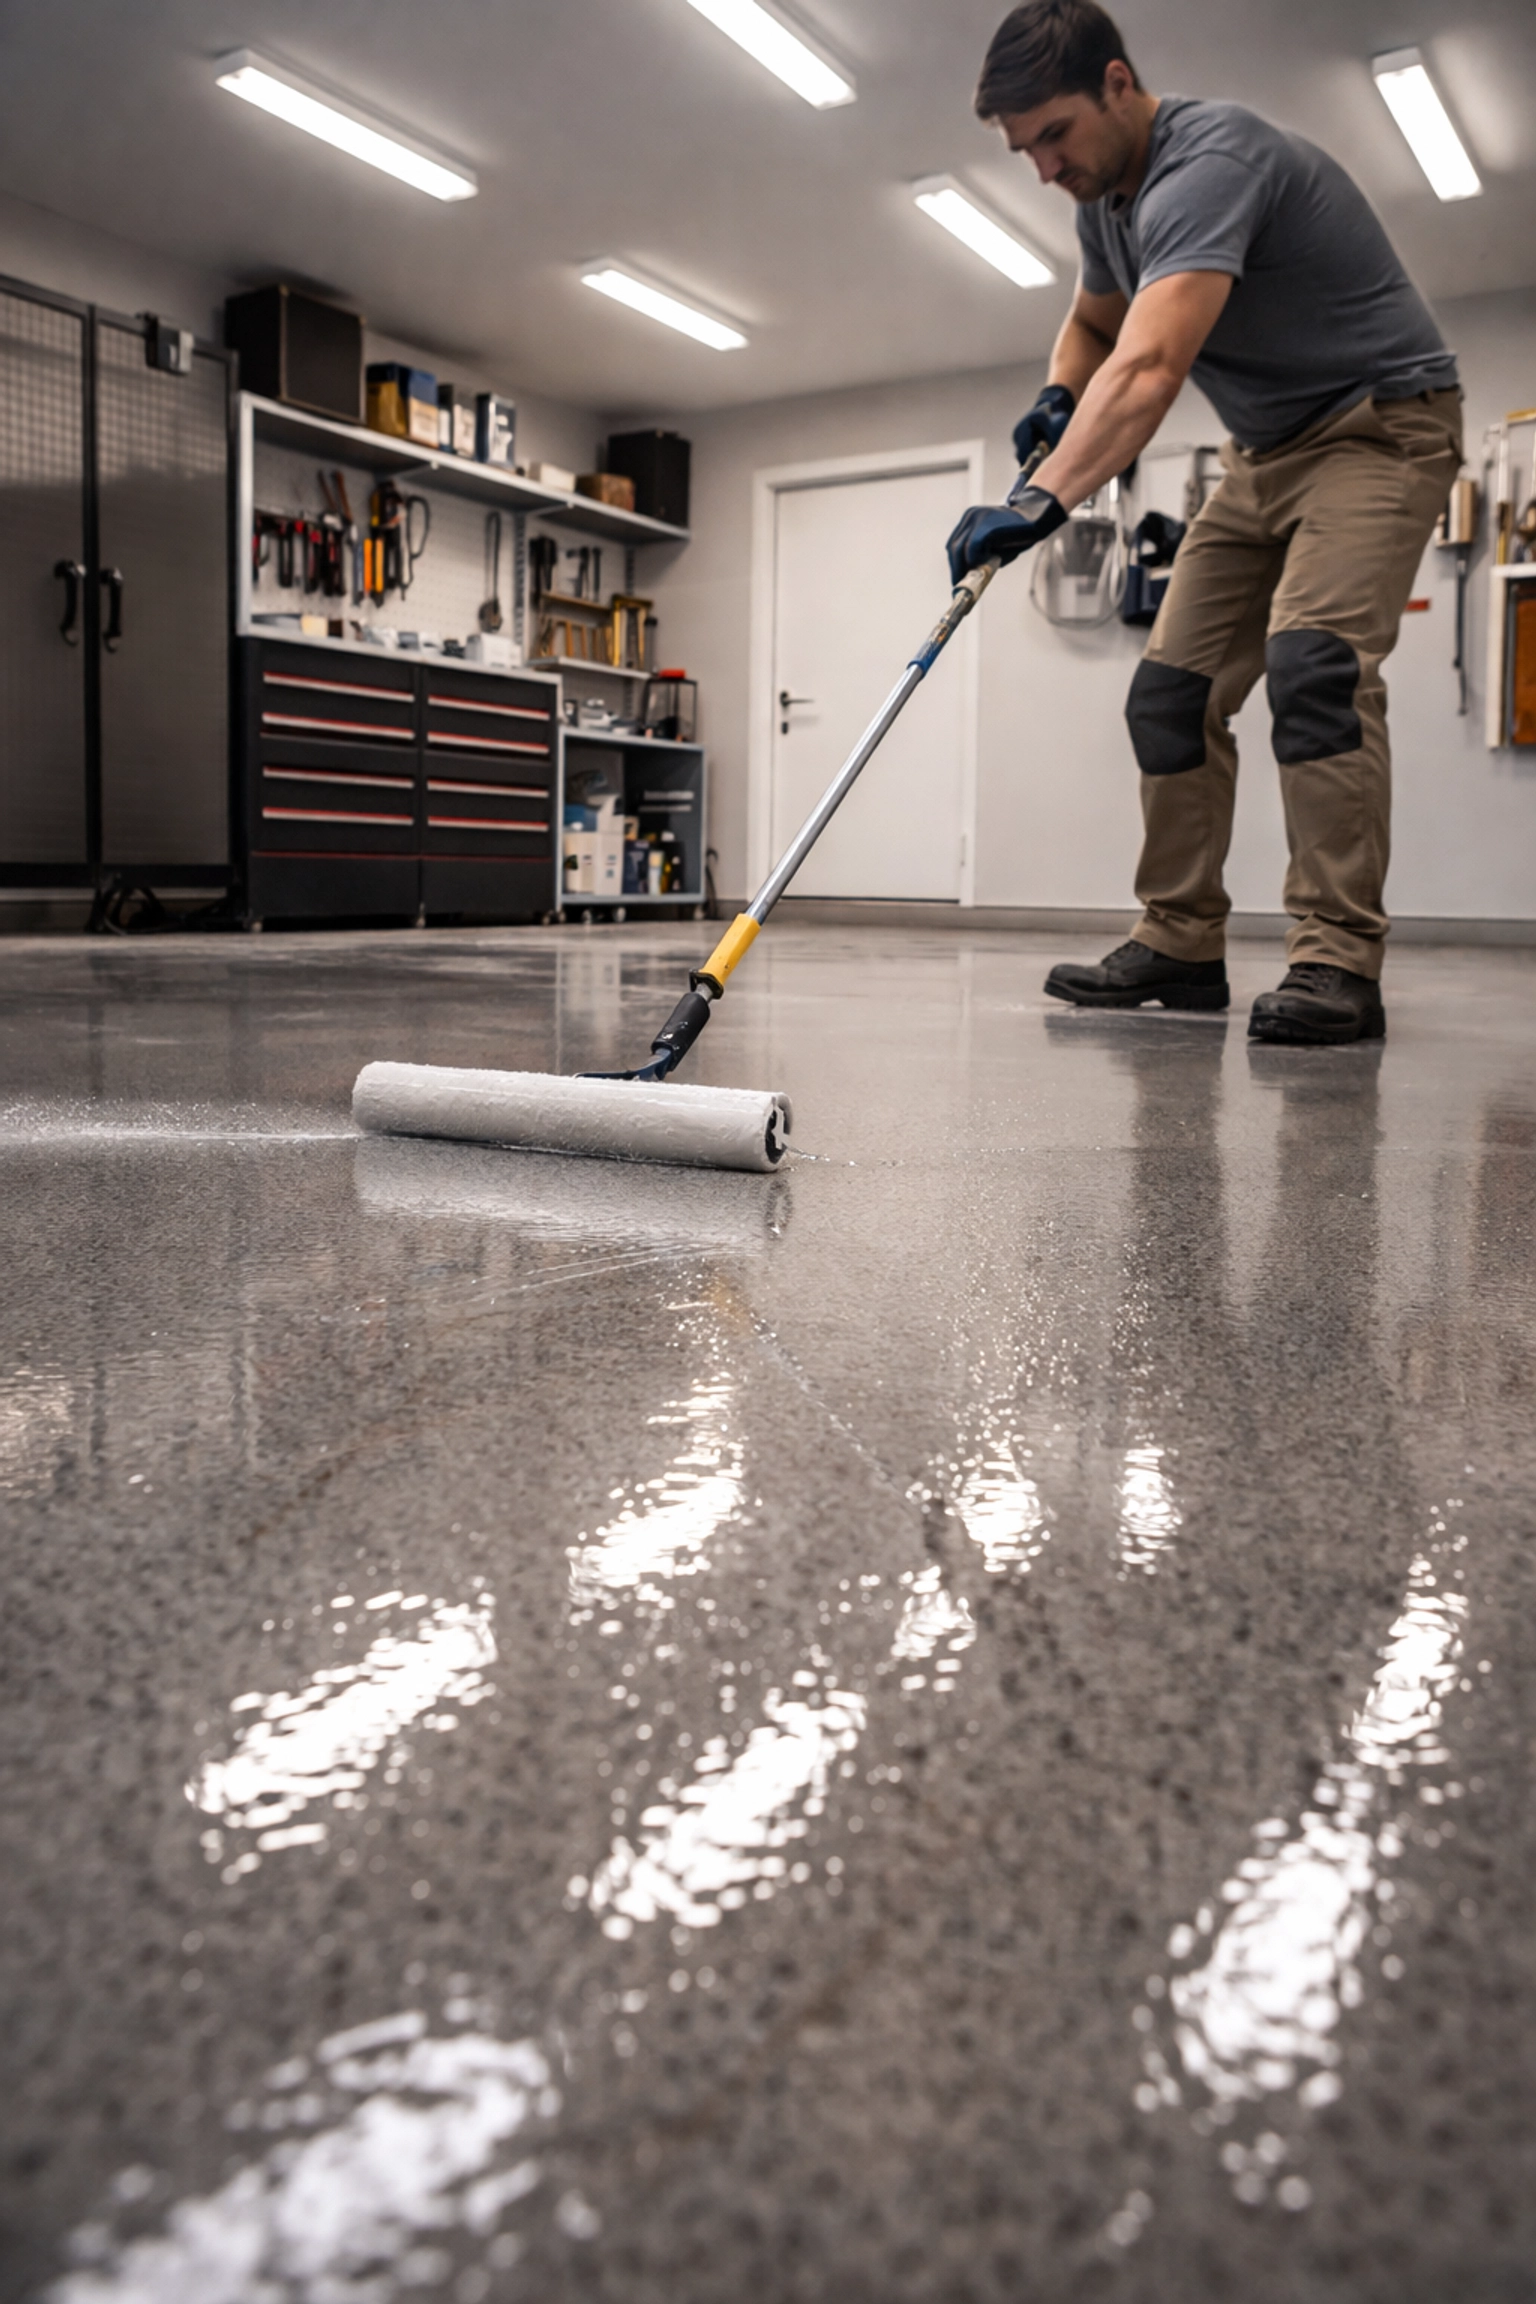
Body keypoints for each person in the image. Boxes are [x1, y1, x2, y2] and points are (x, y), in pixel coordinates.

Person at [947, 0, 1462, 1044]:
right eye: (1023, 149)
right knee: (1169, 696)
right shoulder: (1106, 199)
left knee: (1314, 668)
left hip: (1381, 428)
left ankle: (1335, 962)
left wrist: (1041, 497)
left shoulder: (1213, 159)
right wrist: (1058, 394)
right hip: (1263, 457)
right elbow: (1099, 325)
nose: (1045, 167)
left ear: (1119, 85)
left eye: (1055, 134)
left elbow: (1148, 367)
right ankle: (1180, 943)